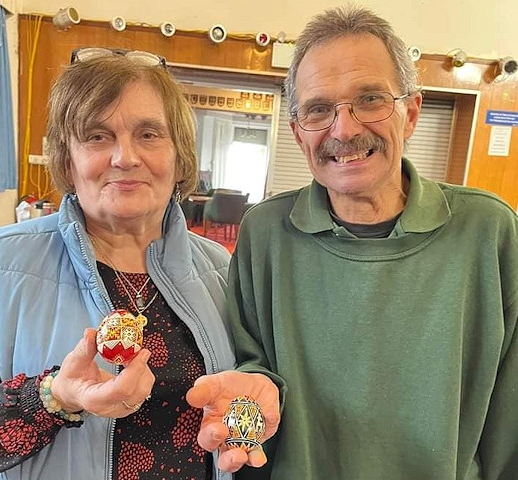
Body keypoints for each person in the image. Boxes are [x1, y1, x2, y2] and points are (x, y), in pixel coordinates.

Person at [217, 6, 518, 480]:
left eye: (371, 99)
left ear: (411, 112)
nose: (345, 129)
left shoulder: (489, 232)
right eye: (319, 109)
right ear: (298, 132)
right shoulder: (265, 234)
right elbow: (252, 371)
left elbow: (511, 413)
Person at [0, 48, 278, 480]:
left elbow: (247, 395)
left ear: (179, 156)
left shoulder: (221, 269)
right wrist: (54, 397)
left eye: (149, 134)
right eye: (97, 136)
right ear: (67, 158)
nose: (125, 158)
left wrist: (258, 398)